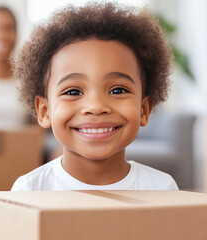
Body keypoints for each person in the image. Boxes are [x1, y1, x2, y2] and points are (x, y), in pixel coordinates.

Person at [11, 2, 178, 191]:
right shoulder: (30, 190)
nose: (96, 106)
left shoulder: (162, 189)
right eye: (73, 92)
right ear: (44, 111)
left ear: (144, 109)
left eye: (117, 90)